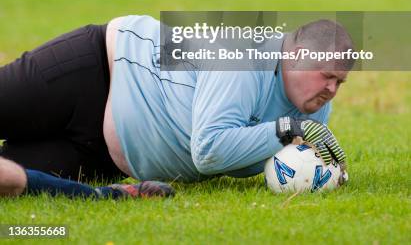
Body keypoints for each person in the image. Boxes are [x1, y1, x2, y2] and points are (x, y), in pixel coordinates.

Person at [0, 16, 352, 199]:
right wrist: (287, 132)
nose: (331, 89)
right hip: (95, 72)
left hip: (101, 156)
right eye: (326, 76)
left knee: (11, 182)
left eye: (340, 82)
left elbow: (274, 157)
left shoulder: (313, 110)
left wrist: (326, 174)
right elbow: (209, 151)